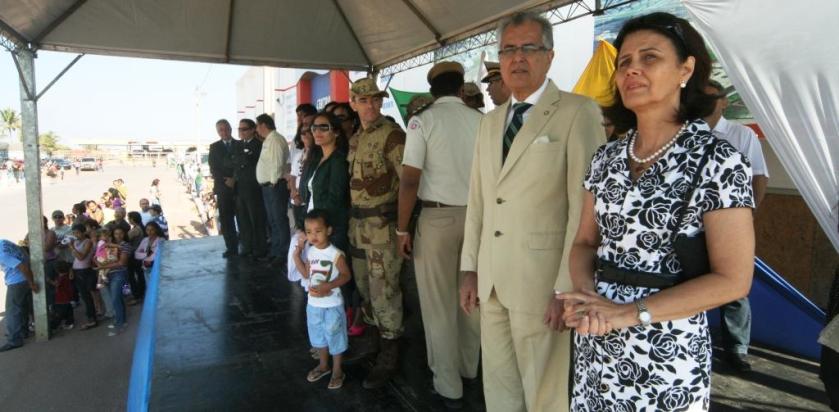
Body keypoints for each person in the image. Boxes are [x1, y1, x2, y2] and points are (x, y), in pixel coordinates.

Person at [558, 12, 755, 411]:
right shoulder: (606, 158)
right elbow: (584, 242)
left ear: (686, 69)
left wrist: (629, 313)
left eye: (649, 58)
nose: (632, 70)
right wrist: (587, 296)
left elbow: (734, 280)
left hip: (666, 350)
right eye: (625, 62)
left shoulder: (717, 160)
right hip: (597, 341)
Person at [458, 12, 605, 412]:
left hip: (543, 285)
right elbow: (480, 201)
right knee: (500, 389)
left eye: (528, 48)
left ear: (549, 56)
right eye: (508, 49)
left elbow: (584, 210)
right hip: (491, 281)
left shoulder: (578, 112)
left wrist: (566, 288)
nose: (517, 58)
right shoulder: (489, 123)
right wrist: (469, 267)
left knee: (544, 394)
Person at [396, 61, 482, 408]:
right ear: (462, 88)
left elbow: (410, 179)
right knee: (470, 300)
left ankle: (448, 385)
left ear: (432, 90)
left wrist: (402, 227)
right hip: (477, 217)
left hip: (436, 218)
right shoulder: (482, 120)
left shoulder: (422, 121)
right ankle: (468, 370)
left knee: (438, 306)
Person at [344, 77, 406, 389]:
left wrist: (405, 227)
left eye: (375, 100)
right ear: (353, 102)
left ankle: (390, 354)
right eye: (364, 100)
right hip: (358, 228)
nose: (371, 105)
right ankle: (372, 343)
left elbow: (408, 182)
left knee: (386, 292)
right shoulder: (356, 138)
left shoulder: (391, 135)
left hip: (382, 228)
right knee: (366, 290)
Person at [704, 79, 770, 372]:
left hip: (731, 226)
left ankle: (736, 349)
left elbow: (759, 176)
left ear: (724, 102)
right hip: (691, 226)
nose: (705, 103)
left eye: (712, 98)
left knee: (734, 289)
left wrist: (747, 218)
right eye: (699, 97)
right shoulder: (684, 134)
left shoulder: (741, 135)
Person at [292, 209, 352, 390]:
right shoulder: (310, 252)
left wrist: (328, 286)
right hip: (314, 304)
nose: (313, 236)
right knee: (319, 337)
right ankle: (324, 366)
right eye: (309, 232)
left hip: (332, 304)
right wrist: (297, 256)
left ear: (329, 230)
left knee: (335, 336)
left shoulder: (335, 254)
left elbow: (346, 275)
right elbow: (306, 275)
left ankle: (337, 370)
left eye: (318, 231)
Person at [300, 112, 351, 254]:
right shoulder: (316, 159)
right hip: (315, 229)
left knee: (332, 274)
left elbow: (335, 199)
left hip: (329, 230)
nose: (317, 132)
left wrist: (320, 230)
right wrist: (305, 225)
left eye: (323, 127)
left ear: (336, 132)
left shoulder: (338, 161)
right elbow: (310, 196)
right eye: (314, 128)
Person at [256, 113, 291, 265]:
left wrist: (273, 182)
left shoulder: (275, 140)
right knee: (273, 221)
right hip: (269, 187)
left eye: (257, 125)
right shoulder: (269, 140)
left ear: (263, 125)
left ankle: (282, 254)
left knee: (278, 220)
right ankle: (275, 251)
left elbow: (277, 163)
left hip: (274, 186)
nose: (256, 129)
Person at [232, 118, 268, 260]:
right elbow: (233, 161)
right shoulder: (237, 145)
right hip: (240, 188)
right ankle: (247, 247)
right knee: (243, 220)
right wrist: (243, 158)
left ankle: (260, 248)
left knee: (257, 220)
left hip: (253, 188)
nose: (241, 132)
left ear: (253, 129)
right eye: (239, 129)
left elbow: (251, 161)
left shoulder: (259, 145)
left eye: (244, 129)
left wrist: (243, 159)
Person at [209, 119, 242, 258]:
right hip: (223, 188)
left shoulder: (240, 145)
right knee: (226, 220)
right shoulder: (214, 147)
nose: (224, 132)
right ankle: (231, 248)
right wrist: (226, 180)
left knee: (243, 218)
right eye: (221, 130)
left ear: (230, 129)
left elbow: (242, 165)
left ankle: (246, 246)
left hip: (240, 187)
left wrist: (234, 179)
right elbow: (214, 168)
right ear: (218, 132)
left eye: (226, 129)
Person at [0, 239, 40, 352]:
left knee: (12, 311)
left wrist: (32, 283)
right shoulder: (3, 242)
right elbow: (23, 251)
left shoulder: (1, 254)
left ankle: (14, 340)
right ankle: (23, 332)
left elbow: (23, 267)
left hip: (16, 282)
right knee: (22, 308)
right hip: (23, 280)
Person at [94, 227, 131, 336]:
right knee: (117, 299)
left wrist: (102, 266)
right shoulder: (109, 244)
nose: (118, 236)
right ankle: (121, 321)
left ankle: (120, 324)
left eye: (120, 233)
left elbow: (122, 263)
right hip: (109, 274)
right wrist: (99, 263)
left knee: (115, 299)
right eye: (116, 233)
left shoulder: (125, 245)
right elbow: (99, 256)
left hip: (119, 273)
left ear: (124, 234)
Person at [70, 223, 98, 330]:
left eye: (77, 233)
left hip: (85, 271)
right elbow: (76, 258)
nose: (76, 235)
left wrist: (72, 247)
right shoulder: (76, 242)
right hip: (78, 271)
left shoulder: (88, 242)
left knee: (87, 296)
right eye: (74, 233)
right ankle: (91, 317)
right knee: (84, 296)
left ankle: (92, 318)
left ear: (83, 232)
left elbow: (81, 257)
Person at [290, 122, 315, 229]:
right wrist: (294, 193)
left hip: (310, 199)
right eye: (302, 132)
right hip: (297, 199)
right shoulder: (298, 154)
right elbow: (293, 176)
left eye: (308, 131)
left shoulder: (318, 154)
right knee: (299, 229)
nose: (305, 134)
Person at [48, 261, 75, 331]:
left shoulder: (61, 278)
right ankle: (69, 323)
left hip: (61, 299)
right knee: (69, 311)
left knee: (59, 314)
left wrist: (49, 281)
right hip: (67, 298)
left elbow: (57, 284)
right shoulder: (66, 276)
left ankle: (53, 326)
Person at [126, 211, 146, 302]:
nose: (128, 220)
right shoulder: (140, 227)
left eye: (129, 218)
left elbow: (126, 239)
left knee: (133, 276)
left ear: (132, 219)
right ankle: (139, 294)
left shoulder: (135, 230)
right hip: (138, 254)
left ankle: (137, 295)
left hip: (134, 255)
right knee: (139, 275)